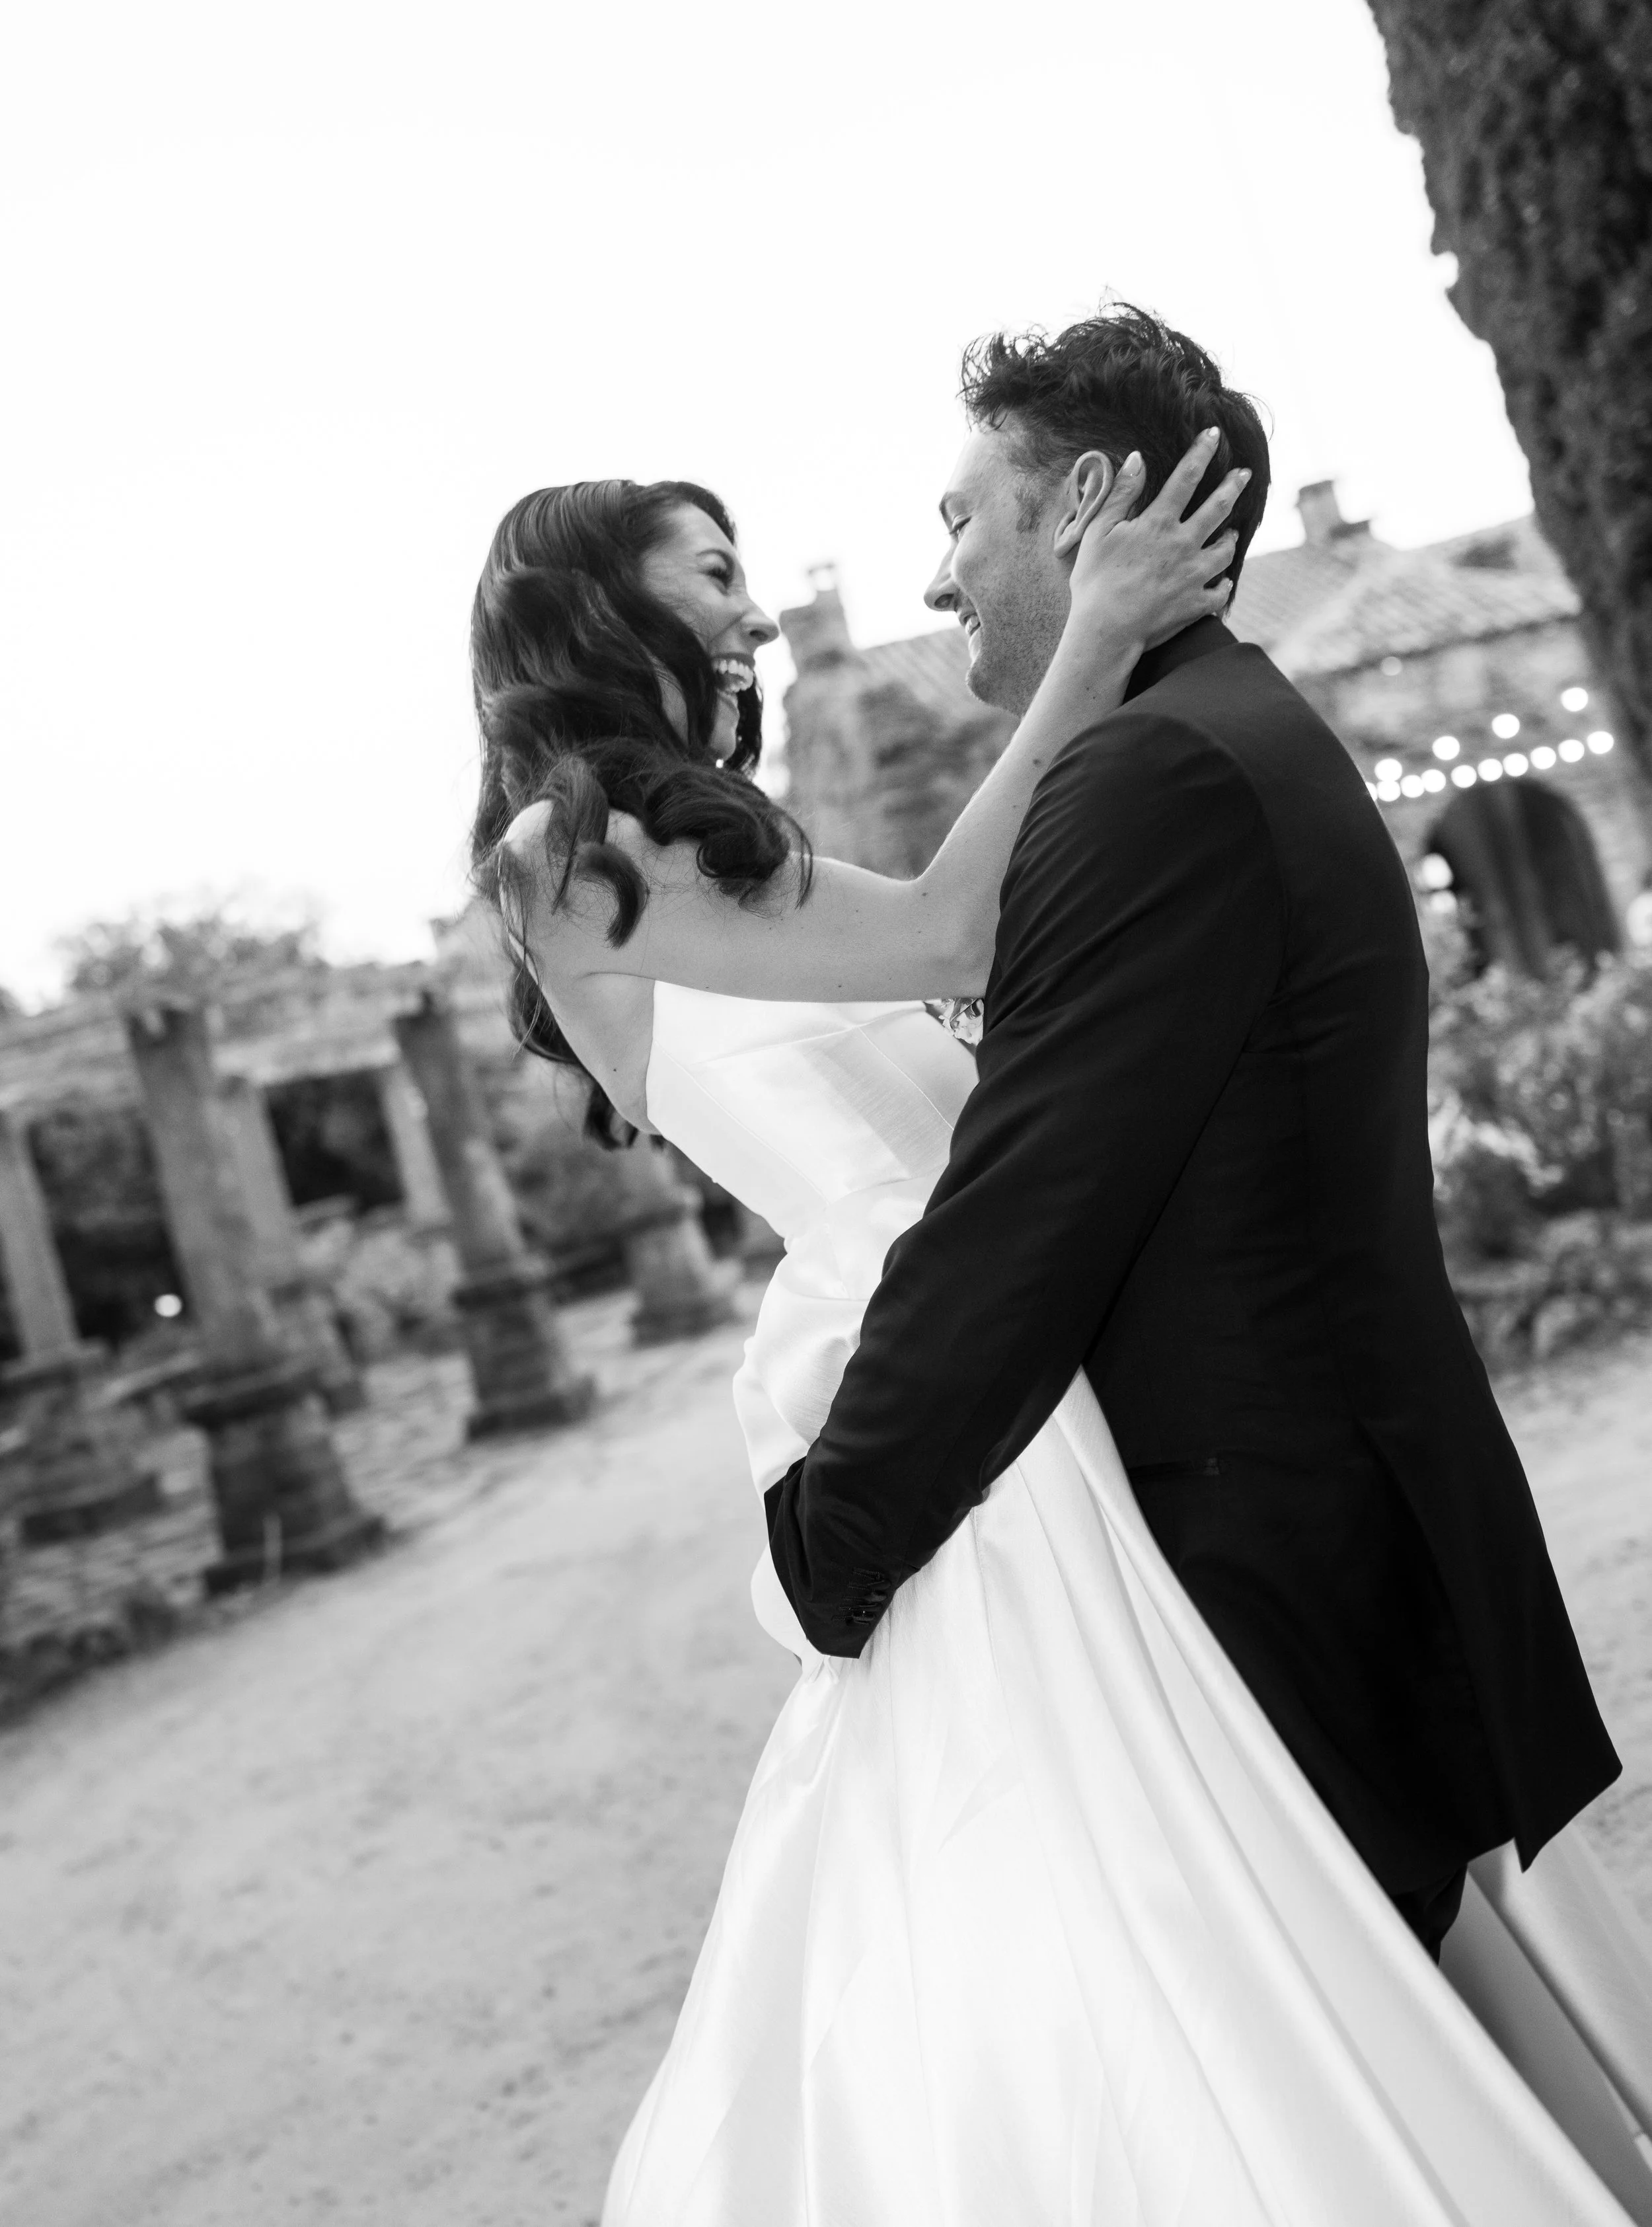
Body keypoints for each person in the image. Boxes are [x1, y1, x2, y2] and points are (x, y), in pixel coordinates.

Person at [476, 307, 1652, 2224]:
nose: (758, 615)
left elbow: (965, 960)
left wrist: (1100, 650)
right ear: (591, 612)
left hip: (1052, 1390)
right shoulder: (561, 863)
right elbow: (958, 925)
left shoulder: (742, 849)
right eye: (711, 576)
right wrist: (1093, 640)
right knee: (1100, 1877)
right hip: (964, 1404)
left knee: (1220, 1848)